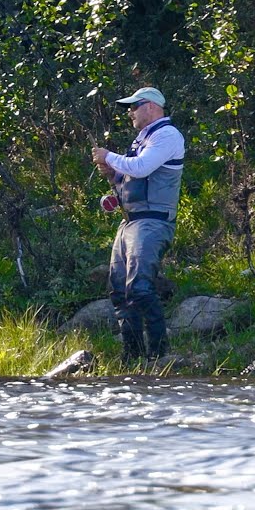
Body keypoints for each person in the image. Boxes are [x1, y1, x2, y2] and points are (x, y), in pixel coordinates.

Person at [91, 86, 185, 364]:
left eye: (135, 106)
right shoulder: (142, 140)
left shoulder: (167, 135)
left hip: (152, 223)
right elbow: (130, 178)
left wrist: (108, 156)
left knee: (140, 289)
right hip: (129, 224)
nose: (130, 112)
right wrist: (113, 176)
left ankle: (159, 356)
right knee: (120, 294)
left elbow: (142, 168)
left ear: (153, 107)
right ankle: (131, 358)